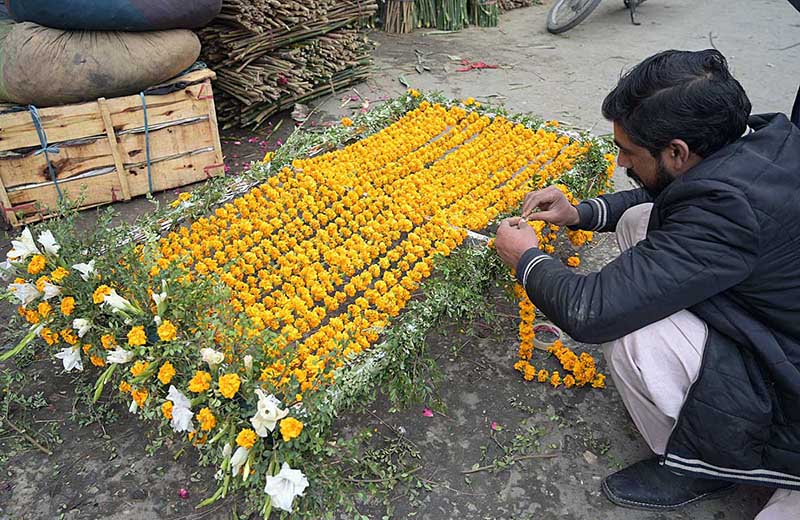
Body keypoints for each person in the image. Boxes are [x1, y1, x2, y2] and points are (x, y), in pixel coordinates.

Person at [494, 49, 800, 518]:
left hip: (789, 386)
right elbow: (673, 195)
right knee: (643, 219)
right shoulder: (763, 141)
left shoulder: (728, 210)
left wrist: (527, 259)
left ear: (676, 151)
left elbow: (591, 312)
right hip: (776, 322)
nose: (619, 162)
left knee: (634, 332)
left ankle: (700, 465)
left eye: (629, 152)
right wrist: (581, 213)